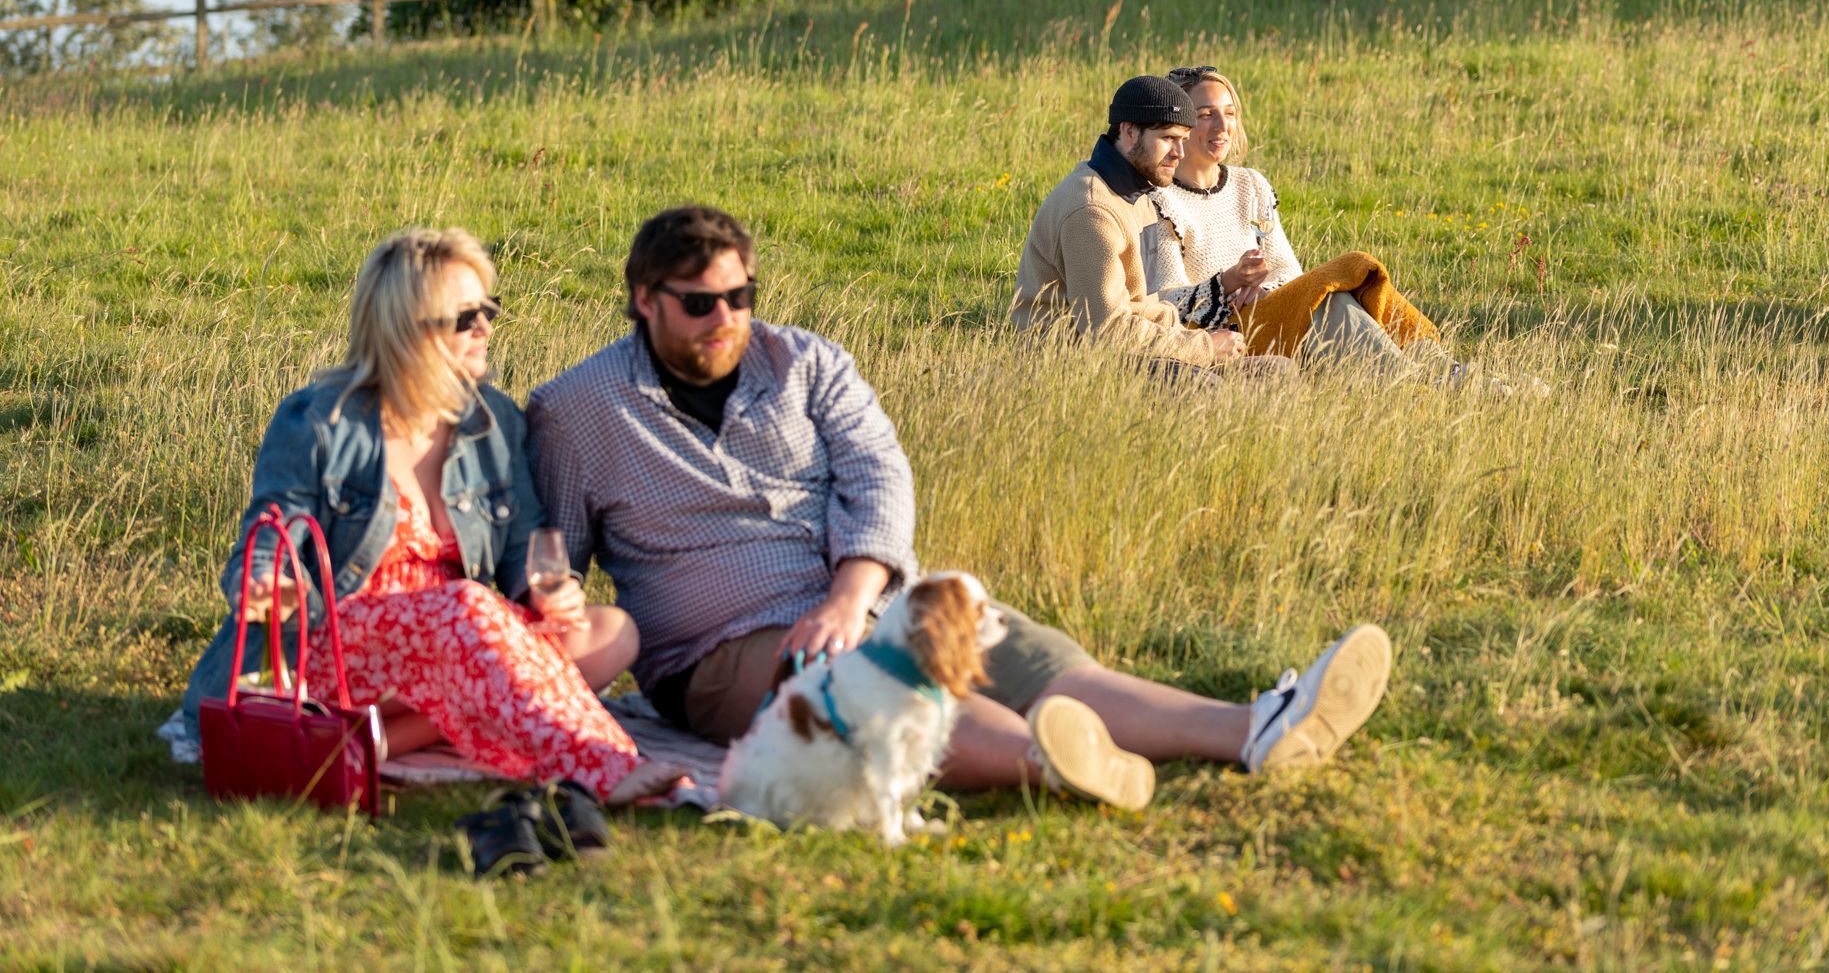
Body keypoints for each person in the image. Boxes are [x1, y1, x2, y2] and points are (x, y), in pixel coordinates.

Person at [528, 204, 1393, 811]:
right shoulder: (579, 409)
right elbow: (551, 555)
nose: (727, 319)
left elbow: (879, 475)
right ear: (645, 301)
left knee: (1008, 647)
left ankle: (1254, 725)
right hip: (720, 651)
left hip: (855, 596)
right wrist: (561, 605)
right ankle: (1051, 762)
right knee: (887, 685)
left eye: (741, 297)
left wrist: (848, 593)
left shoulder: (806, 362)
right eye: (700, 304)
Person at [180, 228, 685, 806]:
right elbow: (272, 527)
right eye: (466, 317)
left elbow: (524, 543)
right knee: (466, 608)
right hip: (337, 649)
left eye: (487, 310)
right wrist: (272, 584)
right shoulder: (320, 421)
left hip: (455, 642)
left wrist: (549, 594)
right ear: (409, 328)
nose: (486, 329)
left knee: (609, 633)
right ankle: (603, 766)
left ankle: (369, 745)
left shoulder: (492, 421)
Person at [1146, 65, 1465, 380]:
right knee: (1337, 281)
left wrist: (1264, 290)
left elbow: (1288, 272)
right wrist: (1227, 285)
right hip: (1225, 335)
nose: (1222, 125)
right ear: (1180, 126)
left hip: (1273, 313)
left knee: (1353, 281)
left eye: (1229, 113)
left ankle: (1442, 370)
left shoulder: (1251, 185)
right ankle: (1411, 384)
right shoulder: (1160, 200)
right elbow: (1165, 301)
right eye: (1206, 114)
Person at [1010, 74, 1263, 372]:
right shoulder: (1092, 209)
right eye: (1168, 138)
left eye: (1183, 139)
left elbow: (1144, 305)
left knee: (1274, 370)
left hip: (1136, 350)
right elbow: (1106, 331)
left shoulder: (1139, 195)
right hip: (1071, 367)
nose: (1179, 153)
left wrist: (1197, 337)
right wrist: (1204, 347)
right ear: (1130, 132)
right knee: (1205, 388)